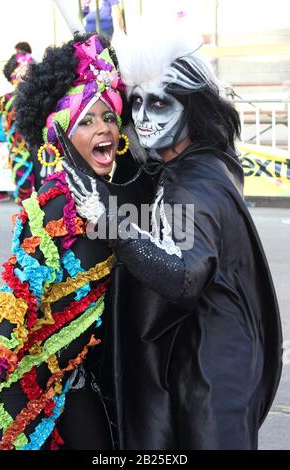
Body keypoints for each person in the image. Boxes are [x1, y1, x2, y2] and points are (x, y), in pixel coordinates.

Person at [63, 22, 283, 450]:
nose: (143, 118)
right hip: (203, 363)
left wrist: (106, 218)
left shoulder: (194, 185)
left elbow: (183, 277)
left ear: (191, 108)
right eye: (136, 104)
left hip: (211, 379)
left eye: (160, 104)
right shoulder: (192, 164)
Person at [0, 32, 130, 450]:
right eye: (85, 121)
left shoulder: (111, 190)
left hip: (75, 378)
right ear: (62, 135)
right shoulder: (55, 204)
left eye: (108, 116)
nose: (103, 128)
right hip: (28, 391)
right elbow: (12, 307)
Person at [0, 49, 35, 205]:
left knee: (44, 189)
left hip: (40, 150)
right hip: (18, 152)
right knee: (24, 190)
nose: (26, 70)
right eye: (22, 66)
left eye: (29, 66)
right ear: (13, 73)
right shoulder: (6, 99)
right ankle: (25, 223)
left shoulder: (38, 95)